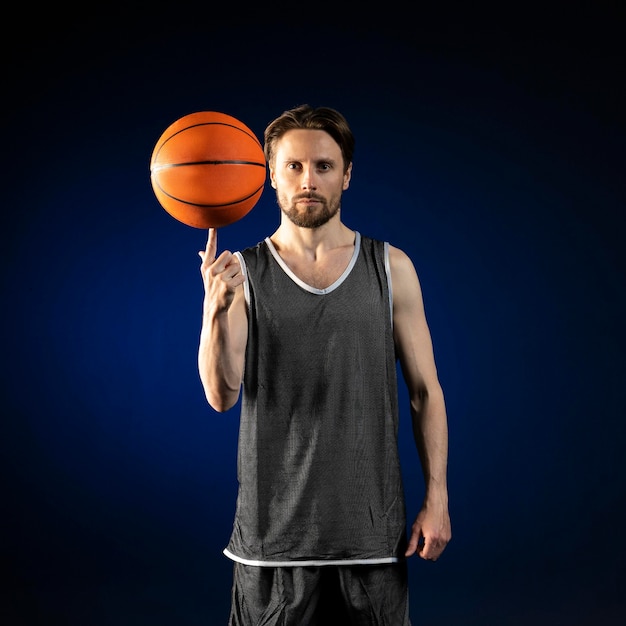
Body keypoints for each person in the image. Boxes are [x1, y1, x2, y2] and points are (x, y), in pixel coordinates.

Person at [197, 104, 451, 625]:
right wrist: (216, 311)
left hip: (372, 540)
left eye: (323, 166)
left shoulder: (391, 266)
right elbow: (220, 396)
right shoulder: (241, 273)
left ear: (347, 174)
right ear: (271, 175)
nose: (307, 180)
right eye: (293, 166)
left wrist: (438, 497)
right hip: (271, 543)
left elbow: (426, 391)